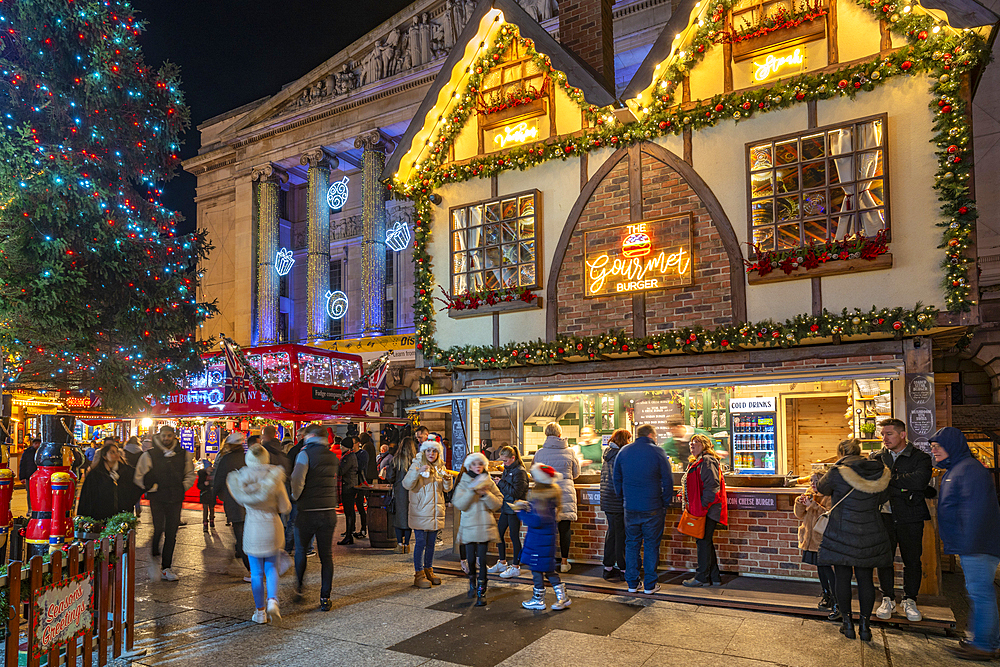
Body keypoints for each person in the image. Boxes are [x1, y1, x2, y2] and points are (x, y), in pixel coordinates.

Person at [930, 427, 1000, 660]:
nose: (934, 451)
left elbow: (977, 511)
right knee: (980, 592)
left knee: (980, 593)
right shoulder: (957, 469)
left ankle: (982, 645)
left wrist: (968, 544)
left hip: (977, 544)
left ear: (952, 445)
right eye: (932, 447)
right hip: (971, 544)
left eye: (938, 446)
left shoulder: (969, 470)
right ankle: (989, 641)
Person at [817, 438, 891, 642]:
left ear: (841, 451)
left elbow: (822, 489)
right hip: (871, 530)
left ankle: (847, 625)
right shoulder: (880, 471)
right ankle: (865, 627)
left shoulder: (837, 470)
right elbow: (883, 497)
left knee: (842, 578)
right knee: (865, 579)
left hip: (842, 532)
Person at [871, 418, 932, 623]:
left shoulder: (920, 457)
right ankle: (887, 598)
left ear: (902, 434)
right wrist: (904, 484)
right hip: (884, 516)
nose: (884, 438)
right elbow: (874, 483)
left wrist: (890, 481)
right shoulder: (876, 457)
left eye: (889, 434)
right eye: (883, 434)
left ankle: (909, 600)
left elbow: (920, 481)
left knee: (912, 560)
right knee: (884, 559)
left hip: (911, 516)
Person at [227, 442, 292, 625]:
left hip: (253, 527)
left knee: (256, 573)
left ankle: (260, 612)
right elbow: (285, 506)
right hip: (272, 525)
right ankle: (272, 601)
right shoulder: (275, 478)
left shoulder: (240, 479)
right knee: (271, 568)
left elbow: (241, 502)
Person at [613, 424, 674, 594]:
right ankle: (650, 585)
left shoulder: (623, 452)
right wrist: (665, 501)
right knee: (651, 545)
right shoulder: (658, 452)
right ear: (651, 435)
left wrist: (623, 498)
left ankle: (632, 584)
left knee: (631, 544)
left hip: (630, 507)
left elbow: (616, 479)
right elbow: (668, 481)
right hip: (653, 506)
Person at [134, 426, 196, 582]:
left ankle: (166, 566)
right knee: (158, 528)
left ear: (174, 436)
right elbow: (139, 475)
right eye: (164, 435)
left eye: (169, 435)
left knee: (171, 532)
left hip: (176, 497)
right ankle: (155, 554)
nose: (166, 438)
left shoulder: (184, 455)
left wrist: (183, 487)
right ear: (159, 436)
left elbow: (190, 473)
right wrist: (152, 488)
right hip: (157, 498)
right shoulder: (150, 455)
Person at [290, 424, 340, 612]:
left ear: (310, 435)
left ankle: (300, 588)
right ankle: (325, 597)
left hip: (308, 511)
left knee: (301, 550)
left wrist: (295, 497)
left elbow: (297, 482)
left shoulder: (304, 454)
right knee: (326, 556)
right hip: (328, 511)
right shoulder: (332, 456)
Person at [516, 463, 572, 610]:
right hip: (544, 541)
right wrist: (528, 506)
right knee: (547, 570)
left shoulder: (541, 499)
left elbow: (535, 520)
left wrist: (520, 511)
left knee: (537, 570)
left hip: (538, 542)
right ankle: (562, 597)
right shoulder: (550, 497)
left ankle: (538, 598)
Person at [453, 452, 503, 606]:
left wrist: (486, 494)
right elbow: (459, 503)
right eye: (474, 464)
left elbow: (498, 503)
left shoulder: (489, 481)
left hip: (484, 526)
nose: (477, 467)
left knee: (482, 560)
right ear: (469, 466)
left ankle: (482, 591)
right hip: (468, 526)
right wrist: (472, 491)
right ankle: (472, 585)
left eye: (480, 464)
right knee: (471, 559)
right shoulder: (464, 481)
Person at [403, 438, 454, 589]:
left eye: (434, 451)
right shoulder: (417, 464)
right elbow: (406, 484)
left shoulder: (440, 466)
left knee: (431, 544)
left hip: (435, 511)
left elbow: (446, 489)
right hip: (420, 511)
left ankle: (428, 570)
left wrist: (447, 479)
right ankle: (418, 574)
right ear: (424, 452)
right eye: (429, 451)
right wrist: (418, 472)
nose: (431, 453)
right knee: (420, 543)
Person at [531, 422, 581, 573]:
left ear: (546, 435)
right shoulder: (570, 451)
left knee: (548, 530)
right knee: (564, 529)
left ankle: (548, 562)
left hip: (547, 494)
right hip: (565, 493)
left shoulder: (540, 453)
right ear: (560, 434)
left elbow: (534, 473)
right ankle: (565, 563)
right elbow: (576, 473)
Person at [682, 434, 729, 588]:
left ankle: (701, 577)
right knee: (705, 542)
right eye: (691, 442)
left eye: (696, 442)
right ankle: (714, 577)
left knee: (702, 541)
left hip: (707, 510)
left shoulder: (707, 461)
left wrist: (702, 505)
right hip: (704, 508)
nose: (692, 445)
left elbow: (712, 487)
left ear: (705, 445)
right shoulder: (699, 461)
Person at [795, 473, 836, 614]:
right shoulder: (809, 494)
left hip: (823, 538)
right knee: (820, 567)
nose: (813, 484)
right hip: (811, 539)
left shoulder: (829, 495)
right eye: (811, 481)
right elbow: (799, 515)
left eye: (816, 481)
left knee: (826, 568)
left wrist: (813, 505)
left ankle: (835, 597)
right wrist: (800, 502)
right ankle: (826, 594)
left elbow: (829, 515)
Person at [213, 433, 251, 577]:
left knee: (240, 535)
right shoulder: (247, 458)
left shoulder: (226, 459)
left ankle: (251, 569)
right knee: (247, 535)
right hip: (249, 503)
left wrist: (212, 497)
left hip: (233, 502)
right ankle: (254, 567)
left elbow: (218, 479)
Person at [488, 445, 529, 579]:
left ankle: (516, 566)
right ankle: (502, 562)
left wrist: (501, 483)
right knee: (499, 534)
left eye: (505, 461)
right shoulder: (508, 469)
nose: (503, 464)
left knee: (514, 536)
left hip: (515, 508)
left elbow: (517, 492)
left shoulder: (520, 471)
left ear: (513, 458)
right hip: (506, 506)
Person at [77, 441, 142, 521]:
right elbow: (87, 497)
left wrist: (129, 504)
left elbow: (136, 488)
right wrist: (83, 517)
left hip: (122, 517)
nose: (116, 454)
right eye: (112, 452)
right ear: (104, 456)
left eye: (117, 452)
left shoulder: (127, 471)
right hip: (101, 517)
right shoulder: (96, 474)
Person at [600, 428, 629, 582]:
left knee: (612, 533)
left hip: (607, 499)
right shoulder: (620, 455)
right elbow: (619, 479)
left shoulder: (608, 453)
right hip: (617, 500)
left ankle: (608, 567)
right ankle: (623, 568)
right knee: (620, 535)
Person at [387, 437, 416, 553]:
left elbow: (390, 477)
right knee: (409, 519)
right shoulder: (415, 460)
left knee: (399, 518)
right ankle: (407, 545)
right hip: (412, 492)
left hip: (399, 492)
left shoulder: (396, 460)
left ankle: (399, 545)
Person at [338, 436, 360, 545]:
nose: (340, 447)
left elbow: (341, 471)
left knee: (349, 511)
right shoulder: (350, 455)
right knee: (349, 511)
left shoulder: (348, 457)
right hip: (350, 485)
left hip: (348, 487)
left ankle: (348, 535)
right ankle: (349, 533)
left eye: (342, 445)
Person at [353, 435, 371, 540]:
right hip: (353, 483)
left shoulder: (363, 454)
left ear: (358, 443)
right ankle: (352, 529)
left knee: (360, 506)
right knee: (354, 506)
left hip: (361, 483)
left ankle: (363, 529)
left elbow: (361, 467)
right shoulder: (351, 454)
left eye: (353, 443)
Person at [18, 437, 40, 513]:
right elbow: (23, 464)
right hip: (29, 476)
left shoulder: (42, 452)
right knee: (30, 493)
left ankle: (38, 508)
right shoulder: (27, 452)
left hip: (39, 476)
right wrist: (22, 477)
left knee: (39, 492)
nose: (37, 445)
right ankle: (30, 509)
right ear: (33, 444)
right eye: (35, 443)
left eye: (38, 443)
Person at [196, 450, 216, 532]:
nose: (210, 469)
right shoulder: (202, 475)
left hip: (211, 493)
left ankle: (211, 520)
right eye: (208, 468)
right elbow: (199, 486)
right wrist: (204, 484)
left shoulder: (213, 474)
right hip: (204, 494)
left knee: (212, 508)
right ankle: (205, 523)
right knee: (205, 509)